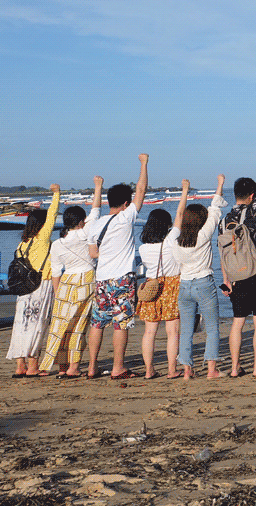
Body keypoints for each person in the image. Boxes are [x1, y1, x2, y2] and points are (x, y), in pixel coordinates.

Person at [86, 154, 149, 379]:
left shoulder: (96, 225)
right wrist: (143, 163)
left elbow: (93, 253)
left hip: (102, 279)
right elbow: (141, 190)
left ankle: (92, 367)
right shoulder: (125, 218)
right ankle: (118, 367)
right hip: (122, 278)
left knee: (97, 323)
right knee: (121, 324)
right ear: (125, 204)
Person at [40, 176, 103, 377]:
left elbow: (55, 272)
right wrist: (98, 187)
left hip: (66, 283)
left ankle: (60, 366)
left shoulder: (57, 245)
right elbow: (96, 210)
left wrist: (58, 294)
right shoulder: (87, 233)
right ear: (81, 221)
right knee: (78, 327)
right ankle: (73, 367)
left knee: (60, 326)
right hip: (86, 279)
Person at [221, 146, 256, 378]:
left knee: (238, 322)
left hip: (236, 275)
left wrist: (227, 280)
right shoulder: (254, 211)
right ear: (252, 196)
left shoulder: (225, 220)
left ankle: (234, 368)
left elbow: (224, 252)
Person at [171, 177, 227, 379]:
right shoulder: (202, 236)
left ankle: (187, 370)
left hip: (184, 285)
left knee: (186, 330)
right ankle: (211, 370)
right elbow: (215, 209)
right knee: (212, 327)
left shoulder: (175, 241)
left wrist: (184, 191)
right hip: (203, 282)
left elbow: (179, 215)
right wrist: (220, 184)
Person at [6, 184, 61, 377]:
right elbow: (53, 215)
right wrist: (56, 194)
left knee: (21, 325)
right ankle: (32, 366)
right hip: (41, 286)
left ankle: (20, 366)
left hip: (24, 289)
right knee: (38, 325)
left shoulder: (22, 244)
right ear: (42, 225)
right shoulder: (42, 240)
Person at [135, 206, 180, 378]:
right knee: (172, 332)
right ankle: (172, 370)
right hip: (171, 286)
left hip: (151, 287)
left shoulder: (143, 248)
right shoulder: (169, 242)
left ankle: (149, 370)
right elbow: (180, 215)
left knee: (149, 332)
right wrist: (184, 193)